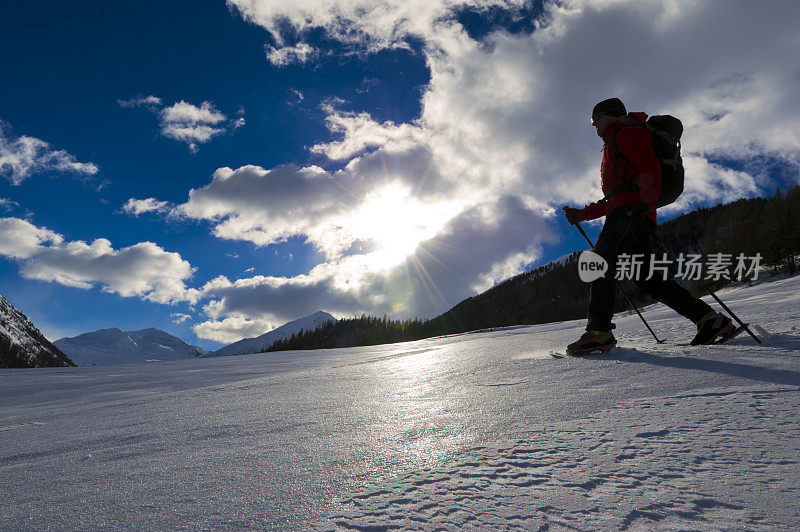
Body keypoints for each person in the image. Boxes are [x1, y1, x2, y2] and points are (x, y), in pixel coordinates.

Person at [562, 97, 733, 354]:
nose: (594, 124)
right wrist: (582, 214)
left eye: (595, 118)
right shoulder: (615, 141)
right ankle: (710, 320)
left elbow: (649, 169)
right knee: (650, 280)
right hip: (630, 212)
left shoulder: (627, 134)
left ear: (610, 115)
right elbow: (616, 196)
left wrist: (644, 205)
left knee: (600, 263)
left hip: (630, 214)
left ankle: (598, 332)